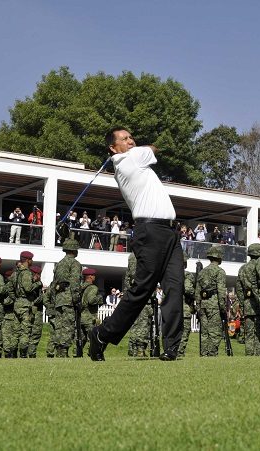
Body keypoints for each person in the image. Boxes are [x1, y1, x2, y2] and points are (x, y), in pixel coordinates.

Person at [89, 127, 185, 362]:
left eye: (131, 137)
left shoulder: (132, 160)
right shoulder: (128, 159)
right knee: (142, 290)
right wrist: (142, 149)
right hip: (150, 231)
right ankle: (101, 334)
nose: (131, 141)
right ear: (113, 148)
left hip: (170, 232)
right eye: (125, 139)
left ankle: (171, 347)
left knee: (175, 287)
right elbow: (154, 148)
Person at [48, 239, 82, 358]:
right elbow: (74, 283)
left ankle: (58, 350)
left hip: (58, 299)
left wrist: (54, 299)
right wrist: (76, 299)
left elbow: (54, 284)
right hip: (68, 299)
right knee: (68, 325)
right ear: (74, 250)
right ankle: (63, 351)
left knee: (59, 325)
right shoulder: (74, 263)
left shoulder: (59, 264)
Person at [196, 246, 227, 356]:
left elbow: (197, 292)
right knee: (214, 332)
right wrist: (223, 308)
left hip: (203, 305)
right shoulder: (220, 272)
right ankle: (212, 354)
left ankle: (204, 354)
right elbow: (221, 292)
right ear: (218, 257)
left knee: (204, 332)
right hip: (214, 305)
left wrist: (198, 307)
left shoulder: (202, 272)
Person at [236, 243, 260, 356]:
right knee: (259, 331)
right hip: (259, 303)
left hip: (248, 303)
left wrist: (243, 303)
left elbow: (239, 288)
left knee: (249, 332)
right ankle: (257, 354)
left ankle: (249, 354)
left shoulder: (243, 268)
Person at [78, 268, 103, 357]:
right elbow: (91, 300)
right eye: (94, 275)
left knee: (80, 337)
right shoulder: (93, 287)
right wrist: (100, 298)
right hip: (89, 316)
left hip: (80, 316)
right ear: (90, 277)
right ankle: (91, 353)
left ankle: (77, 353)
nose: (94, 277)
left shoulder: (80, 287)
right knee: (92, 337)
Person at [26, 265, 44, 357]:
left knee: (35, 334)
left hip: (36, 311)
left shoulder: (37, 284)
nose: (39, 276)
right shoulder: (31, 284)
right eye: (38, 274)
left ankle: (31, 354)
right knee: (29, 333)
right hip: (31, 311)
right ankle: (28, 354)